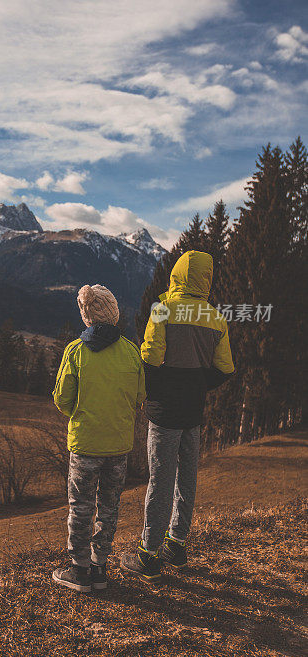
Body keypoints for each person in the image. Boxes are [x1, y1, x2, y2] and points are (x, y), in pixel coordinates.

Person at [120, 250, 235, 584]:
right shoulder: (216, 317)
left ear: (178, 274)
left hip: (165, 412)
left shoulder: (164, 310)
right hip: (193, 412)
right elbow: (226, 368)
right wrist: (197, 385)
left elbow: (150, 359)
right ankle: (177, 545)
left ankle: (148, 555)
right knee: (187, 478)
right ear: (205, 278)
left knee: (160, 480)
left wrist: (152, 394)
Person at [52, 284, 145, 593]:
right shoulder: (131, 351)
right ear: (114, 313)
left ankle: (78, 570)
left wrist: (80, 412)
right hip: (119, 445)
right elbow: (140, 396)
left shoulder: (75, 351)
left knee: (80, 506)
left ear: (86, 315)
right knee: (109, 507)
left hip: (85, 443)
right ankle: (99, 568)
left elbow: (62, 400)